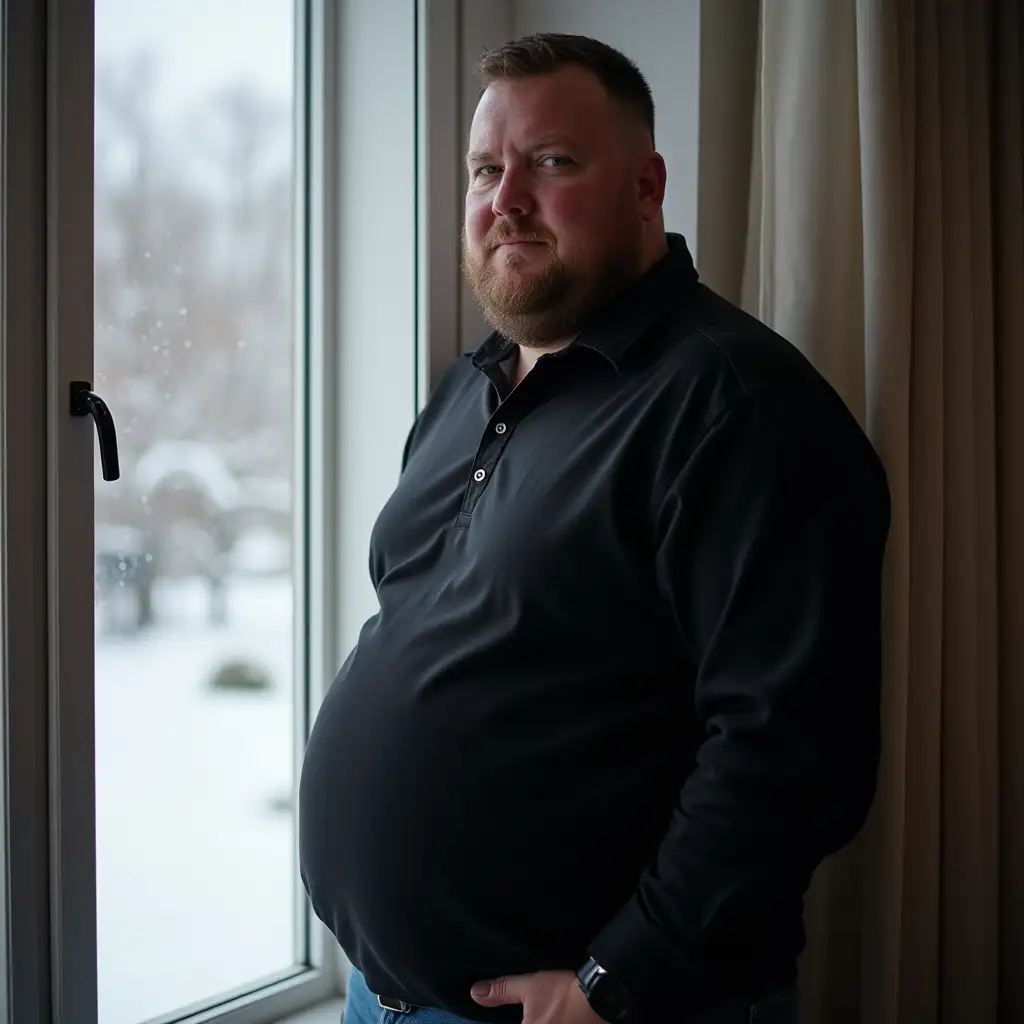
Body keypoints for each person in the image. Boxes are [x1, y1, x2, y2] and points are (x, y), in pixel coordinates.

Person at [299, 32, 891, 1024]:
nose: (505, 198)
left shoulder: (739, 407)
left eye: (552, 162)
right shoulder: (469, 386)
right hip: (384, 993)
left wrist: (618, 983)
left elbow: (793, 749)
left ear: (647, 187)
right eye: (484, 169)